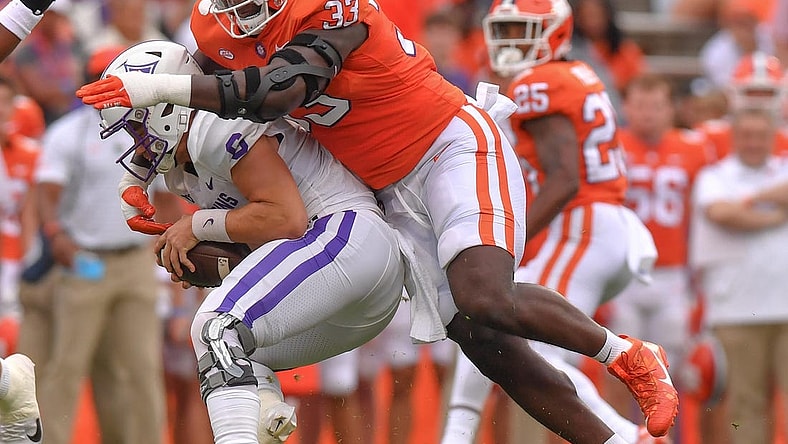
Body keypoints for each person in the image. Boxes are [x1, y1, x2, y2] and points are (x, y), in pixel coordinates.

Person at [76, 0, 680, 440]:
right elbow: (195, 108)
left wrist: (168, 91)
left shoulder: (340, 9)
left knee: (483, 296)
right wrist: (145, 176)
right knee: (481, 341)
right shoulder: (215, 25)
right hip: (381, 187)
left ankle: (625, 353)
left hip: (446, 146)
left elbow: (279, 90)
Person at [98, 39, 410, 444]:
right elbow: (266, 232)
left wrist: (197, 227)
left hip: (347, 233)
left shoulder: (213, 126)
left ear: (166, 107)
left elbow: (287, 218)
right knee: (236, 355)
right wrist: (213, 262)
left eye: (138, 124)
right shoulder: (184, 167)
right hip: (351, 282)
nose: (138, 142)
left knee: (215, 328)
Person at [442, 2, 666, 443]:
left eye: (523, 31)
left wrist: (507, 240)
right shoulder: (573, 73)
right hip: (599, 222)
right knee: (488, 321)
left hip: (581, 222)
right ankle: (455, 436)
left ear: (556, 34)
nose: (510, 42)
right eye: (503, 30)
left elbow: (564, 178)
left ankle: (627, 436)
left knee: (526, 342)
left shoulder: (539, 82)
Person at [33, 46, 173, 444]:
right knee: (68, 364)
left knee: (140, 367)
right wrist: (55, 233)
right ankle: (51, 440)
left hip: (133, 260)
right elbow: (47, 189)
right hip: (85, 260)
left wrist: (165, 247)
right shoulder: (69, 132)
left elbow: (164, 195)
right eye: (98, 76)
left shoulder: (147, 128)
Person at [605, 73, 715, 427]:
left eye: (656, 106)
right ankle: (620, 434)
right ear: (626, 107)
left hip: (671, 276)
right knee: (618, 368)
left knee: (671, 373)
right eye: (640, 105)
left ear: (671, 110)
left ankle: (664, 437)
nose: (648, 113)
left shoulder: (693, 148)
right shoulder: (611, 145)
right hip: (622, 276)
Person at [690, 106, 788, 444]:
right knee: (746, 405)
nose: (754, 143)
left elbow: (736, 210)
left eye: (761, 136)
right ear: (734, 138)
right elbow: (722, 214)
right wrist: (775, 216)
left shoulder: (779, 168)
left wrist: (751, 200)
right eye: (746, 135)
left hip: (783, 304)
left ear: (773, 137)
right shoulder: (715, 176)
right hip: (736, 308)